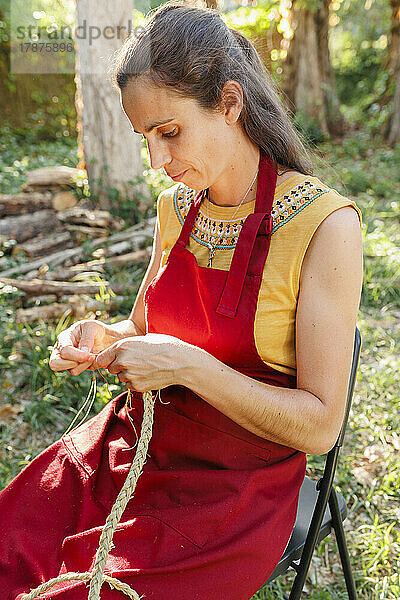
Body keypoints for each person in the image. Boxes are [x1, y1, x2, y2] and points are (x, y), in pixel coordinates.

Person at [0, 2, 363, 599]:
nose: (157, 162)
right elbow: (142, 326)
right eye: (145, 138)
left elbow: (321, 426)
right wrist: (103, 339)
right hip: (138, 446)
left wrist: (192, 367)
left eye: (169, 133)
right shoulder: (178, 208)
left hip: (231, 491)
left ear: (229, 103)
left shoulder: (324, 227)